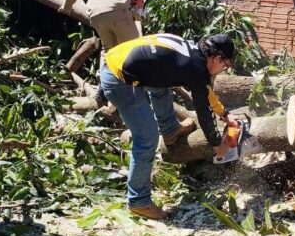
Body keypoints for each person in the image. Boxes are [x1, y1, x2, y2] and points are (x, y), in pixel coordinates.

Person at [100, 33, 238, 220]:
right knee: (147, 139)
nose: (223, 70)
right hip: (118, 79)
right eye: (225, 66)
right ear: (217, 58)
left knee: (161, 84)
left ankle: (171, 130)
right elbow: (203, 110)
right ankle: (139, 201)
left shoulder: (191, 52)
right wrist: (216, 144)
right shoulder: (196, 67)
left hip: (115, 60)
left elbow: (204, 91)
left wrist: (225, 114)